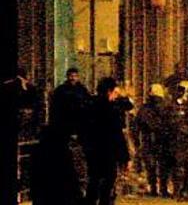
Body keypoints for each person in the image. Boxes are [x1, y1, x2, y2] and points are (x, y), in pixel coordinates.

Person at [82, 77, 133, 205]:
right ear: (109, 92)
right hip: (108, 153)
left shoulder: (89, 105)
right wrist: (125, 158)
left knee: (93, 181)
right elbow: (117, 135)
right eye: (115, 93)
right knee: (107, 183)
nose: (116, 96)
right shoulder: (111, 110)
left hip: (92, 151)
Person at [132, 83, 173, 197]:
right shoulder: (165, 108)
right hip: (157, 140)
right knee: (159, 166)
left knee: (154, 166)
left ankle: (156, 188)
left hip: (154, 140)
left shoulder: (146, 109)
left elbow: (135, 126)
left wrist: (137, 142)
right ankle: (161, 189)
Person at [50, 67, 91, 137]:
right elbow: (55, 106)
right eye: (71, 76)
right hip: (65, 119)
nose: (73, 78)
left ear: (78, 77)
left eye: (75, 76)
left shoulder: (82, 89)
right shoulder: (61, 90)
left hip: (79, 119)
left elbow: (87, 102)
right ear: (67, 77)